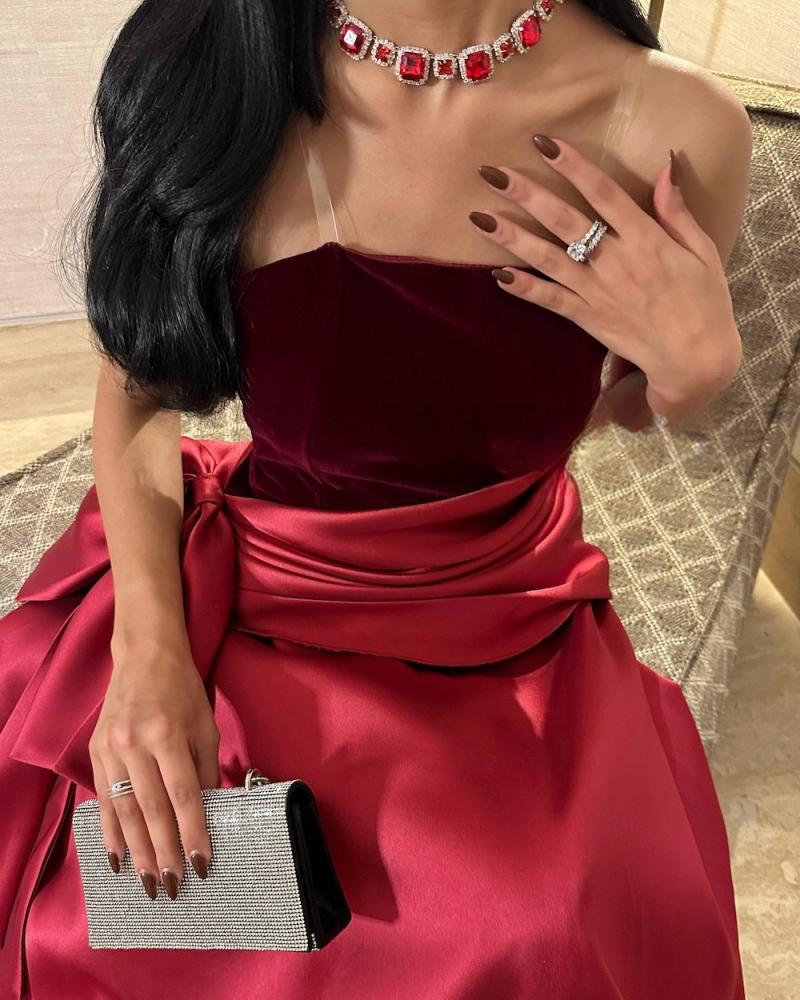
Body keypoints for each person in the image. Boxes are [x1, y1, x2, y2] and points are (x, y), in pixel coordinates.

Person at [0, 0, 752, 997]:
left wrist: (692, 380)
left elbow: (624, 411)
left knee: (537, 932)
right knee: (115, 911)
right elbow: (137, 386)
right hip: (251, 600)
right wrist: (148, 656)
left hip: (501, 623)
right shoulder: (205, 58)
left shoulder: (679, 126)